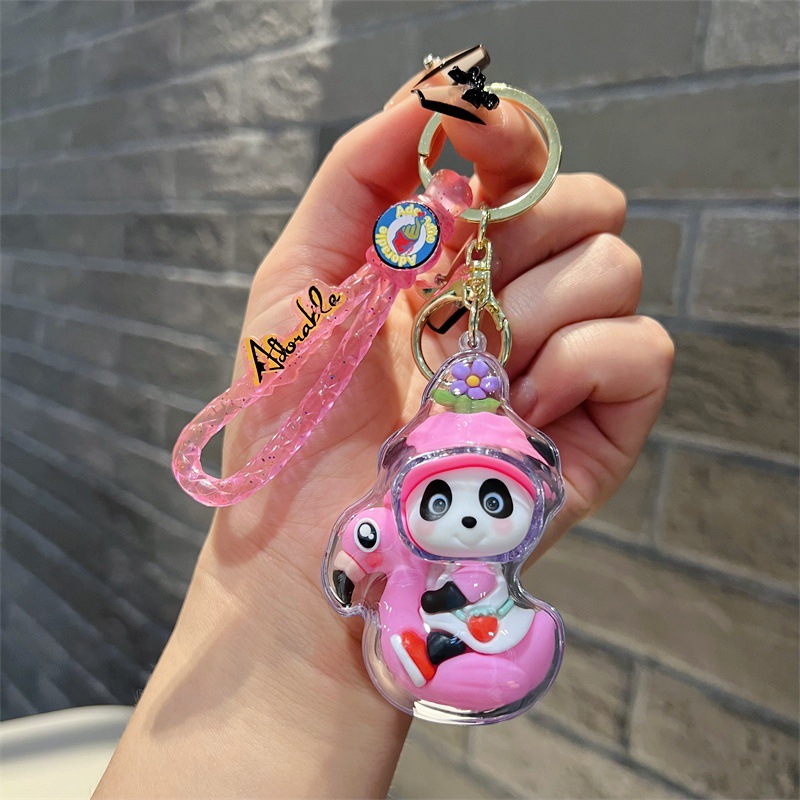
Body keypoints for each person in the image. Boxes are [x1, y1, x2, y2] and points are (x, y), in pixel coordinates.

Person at [93, 71, 673, 798]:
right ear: (408, 491)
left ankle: (493, 656)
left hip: (486, 633)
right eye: (442, 500)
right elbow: (363, 539)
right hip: (411, 638)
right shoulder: (396, 533)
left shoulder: (471, 541)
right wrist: (295, 598)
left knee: (523, 637)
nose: (468, 518)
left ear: (534, 498)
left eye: (495, 501)